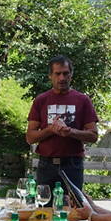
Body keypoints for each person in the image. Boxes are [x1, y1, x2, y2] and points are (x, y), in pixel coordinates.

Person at [25, 56, 98, 192]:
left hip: (72, 165)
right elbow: (30, 137)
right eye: (57, 74)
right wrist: (51, 130)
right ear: (50, 76)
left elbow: (93, 135)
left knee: (73, 209)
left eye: (65, 73)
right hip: (46, 164)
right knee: (44, 207)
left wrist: (70, 132)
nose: (62, 78)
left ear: (71, 75)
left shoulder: (83, 100)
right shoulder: (41, 100)